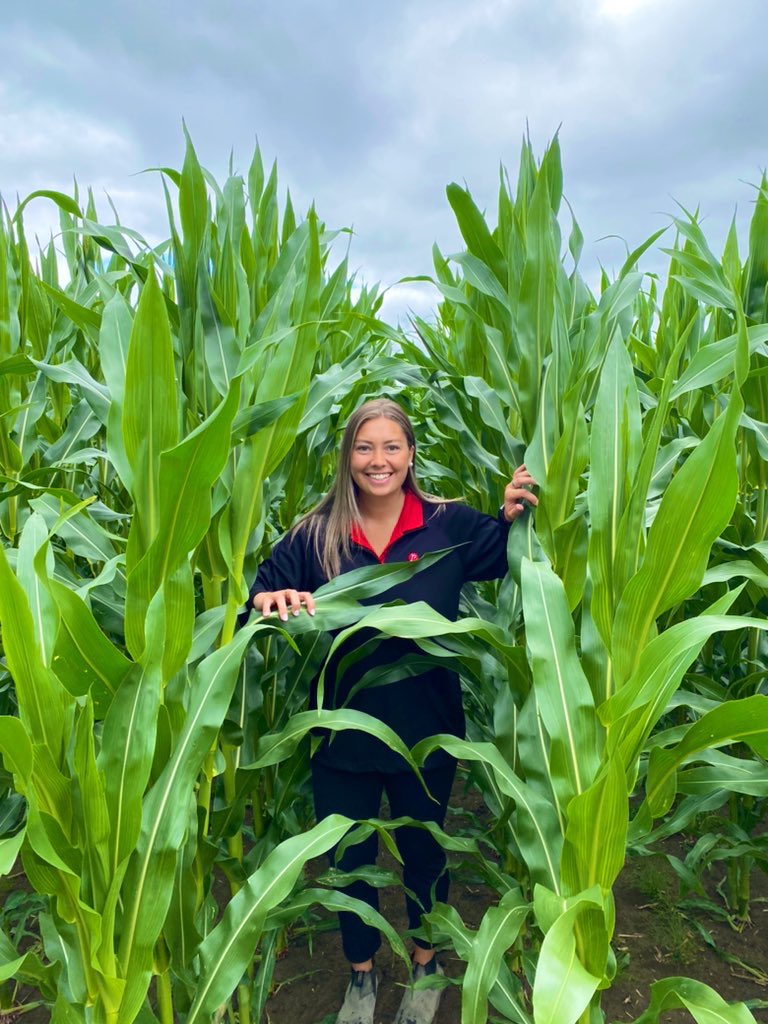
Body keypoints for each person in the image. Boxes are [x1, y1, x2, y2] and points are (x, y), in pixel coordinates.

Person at [248, 398, 537, 1024]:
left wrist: (514, 511)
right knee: (348, 859)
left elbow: (509, 546)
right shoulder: (314, 535)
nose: (378, 461)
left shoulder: (448, 525)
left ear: (410, 454)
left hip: (426, 735)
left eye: (391, 447)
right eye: (364, 447)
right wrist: (272, 598)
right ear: (347, 456)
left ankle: (427, 965)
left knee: (423, 855)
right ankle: (361, 976)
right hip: (340, 736)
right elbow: (259, 597)